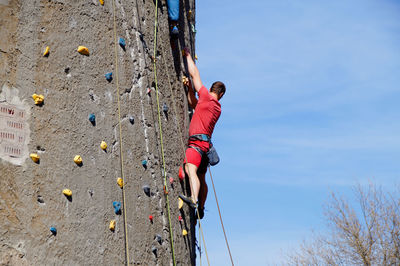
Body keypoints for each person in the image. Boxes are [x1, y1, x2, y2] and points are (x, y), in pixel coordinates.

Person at [179, 47, 226, 219]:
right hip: (206, 147)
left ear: (213, 90)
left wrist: (188, 56)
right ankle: (202, 206)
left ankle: (193, 198)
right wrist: (190, 90)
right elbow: (195, 105)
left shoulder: (206, 97)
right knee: (202, 177)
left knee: (190, 170)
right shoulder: (217, 108)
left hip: (196, 144)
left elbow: (194, 74)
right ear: (221, 94)